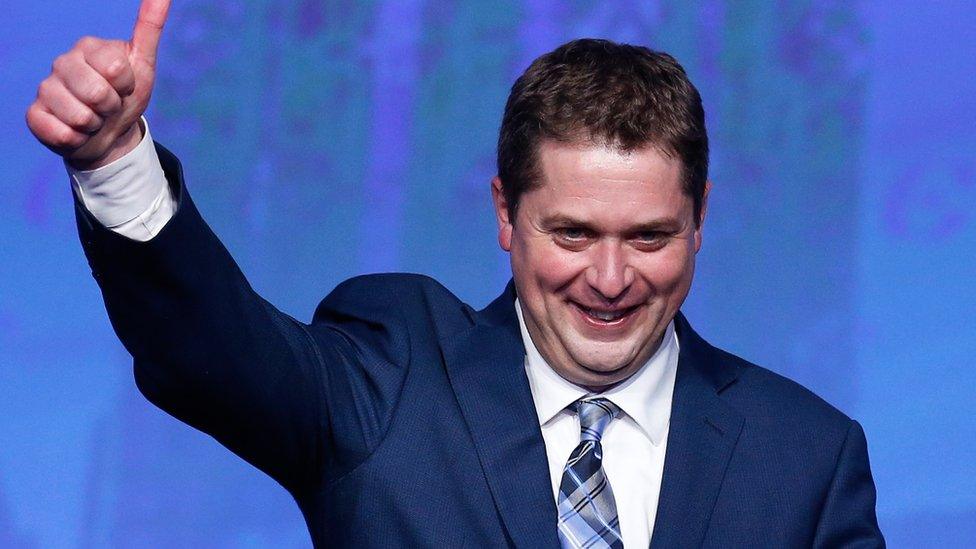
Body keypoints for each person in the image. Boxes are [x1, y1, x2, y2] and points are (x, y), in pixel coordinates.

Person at [27, 0, 885, 547]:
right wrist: (113, 162)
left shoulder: (805, 457)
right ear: (505, 214)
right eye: (575, 233)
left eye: (651, 235)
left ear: (701, 221)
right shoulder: (390, 381)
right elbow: (210, 345)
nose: (613, 276)